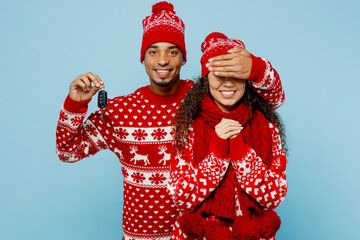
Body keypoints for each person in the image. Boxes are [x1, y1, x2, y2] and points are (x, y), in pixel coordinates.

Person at [55, 2, 285, 240]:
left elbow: (271, 101)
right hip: (141, 236)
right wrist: (75, 104)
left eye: (172, 52)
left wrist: (256, 68)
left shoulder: (204, 99)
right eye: (153, 51)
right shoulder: (121, 110)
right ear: (142, 59)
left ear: (184, 59)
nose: (163, 60)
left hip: (195, 233)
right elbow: (67, 151)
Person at [168, 32, 288, 240]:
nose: (228, 84)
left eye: (235, 76)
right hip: (201, 234)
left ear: (246, 79)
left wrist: (242, 155)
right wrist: (217, 154)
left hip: (252, 234)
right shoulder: (188, 127)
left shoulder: (266, 127)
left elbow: (275, 196)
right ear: (206, 79)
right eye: (220, 76)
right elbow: (180, 196)